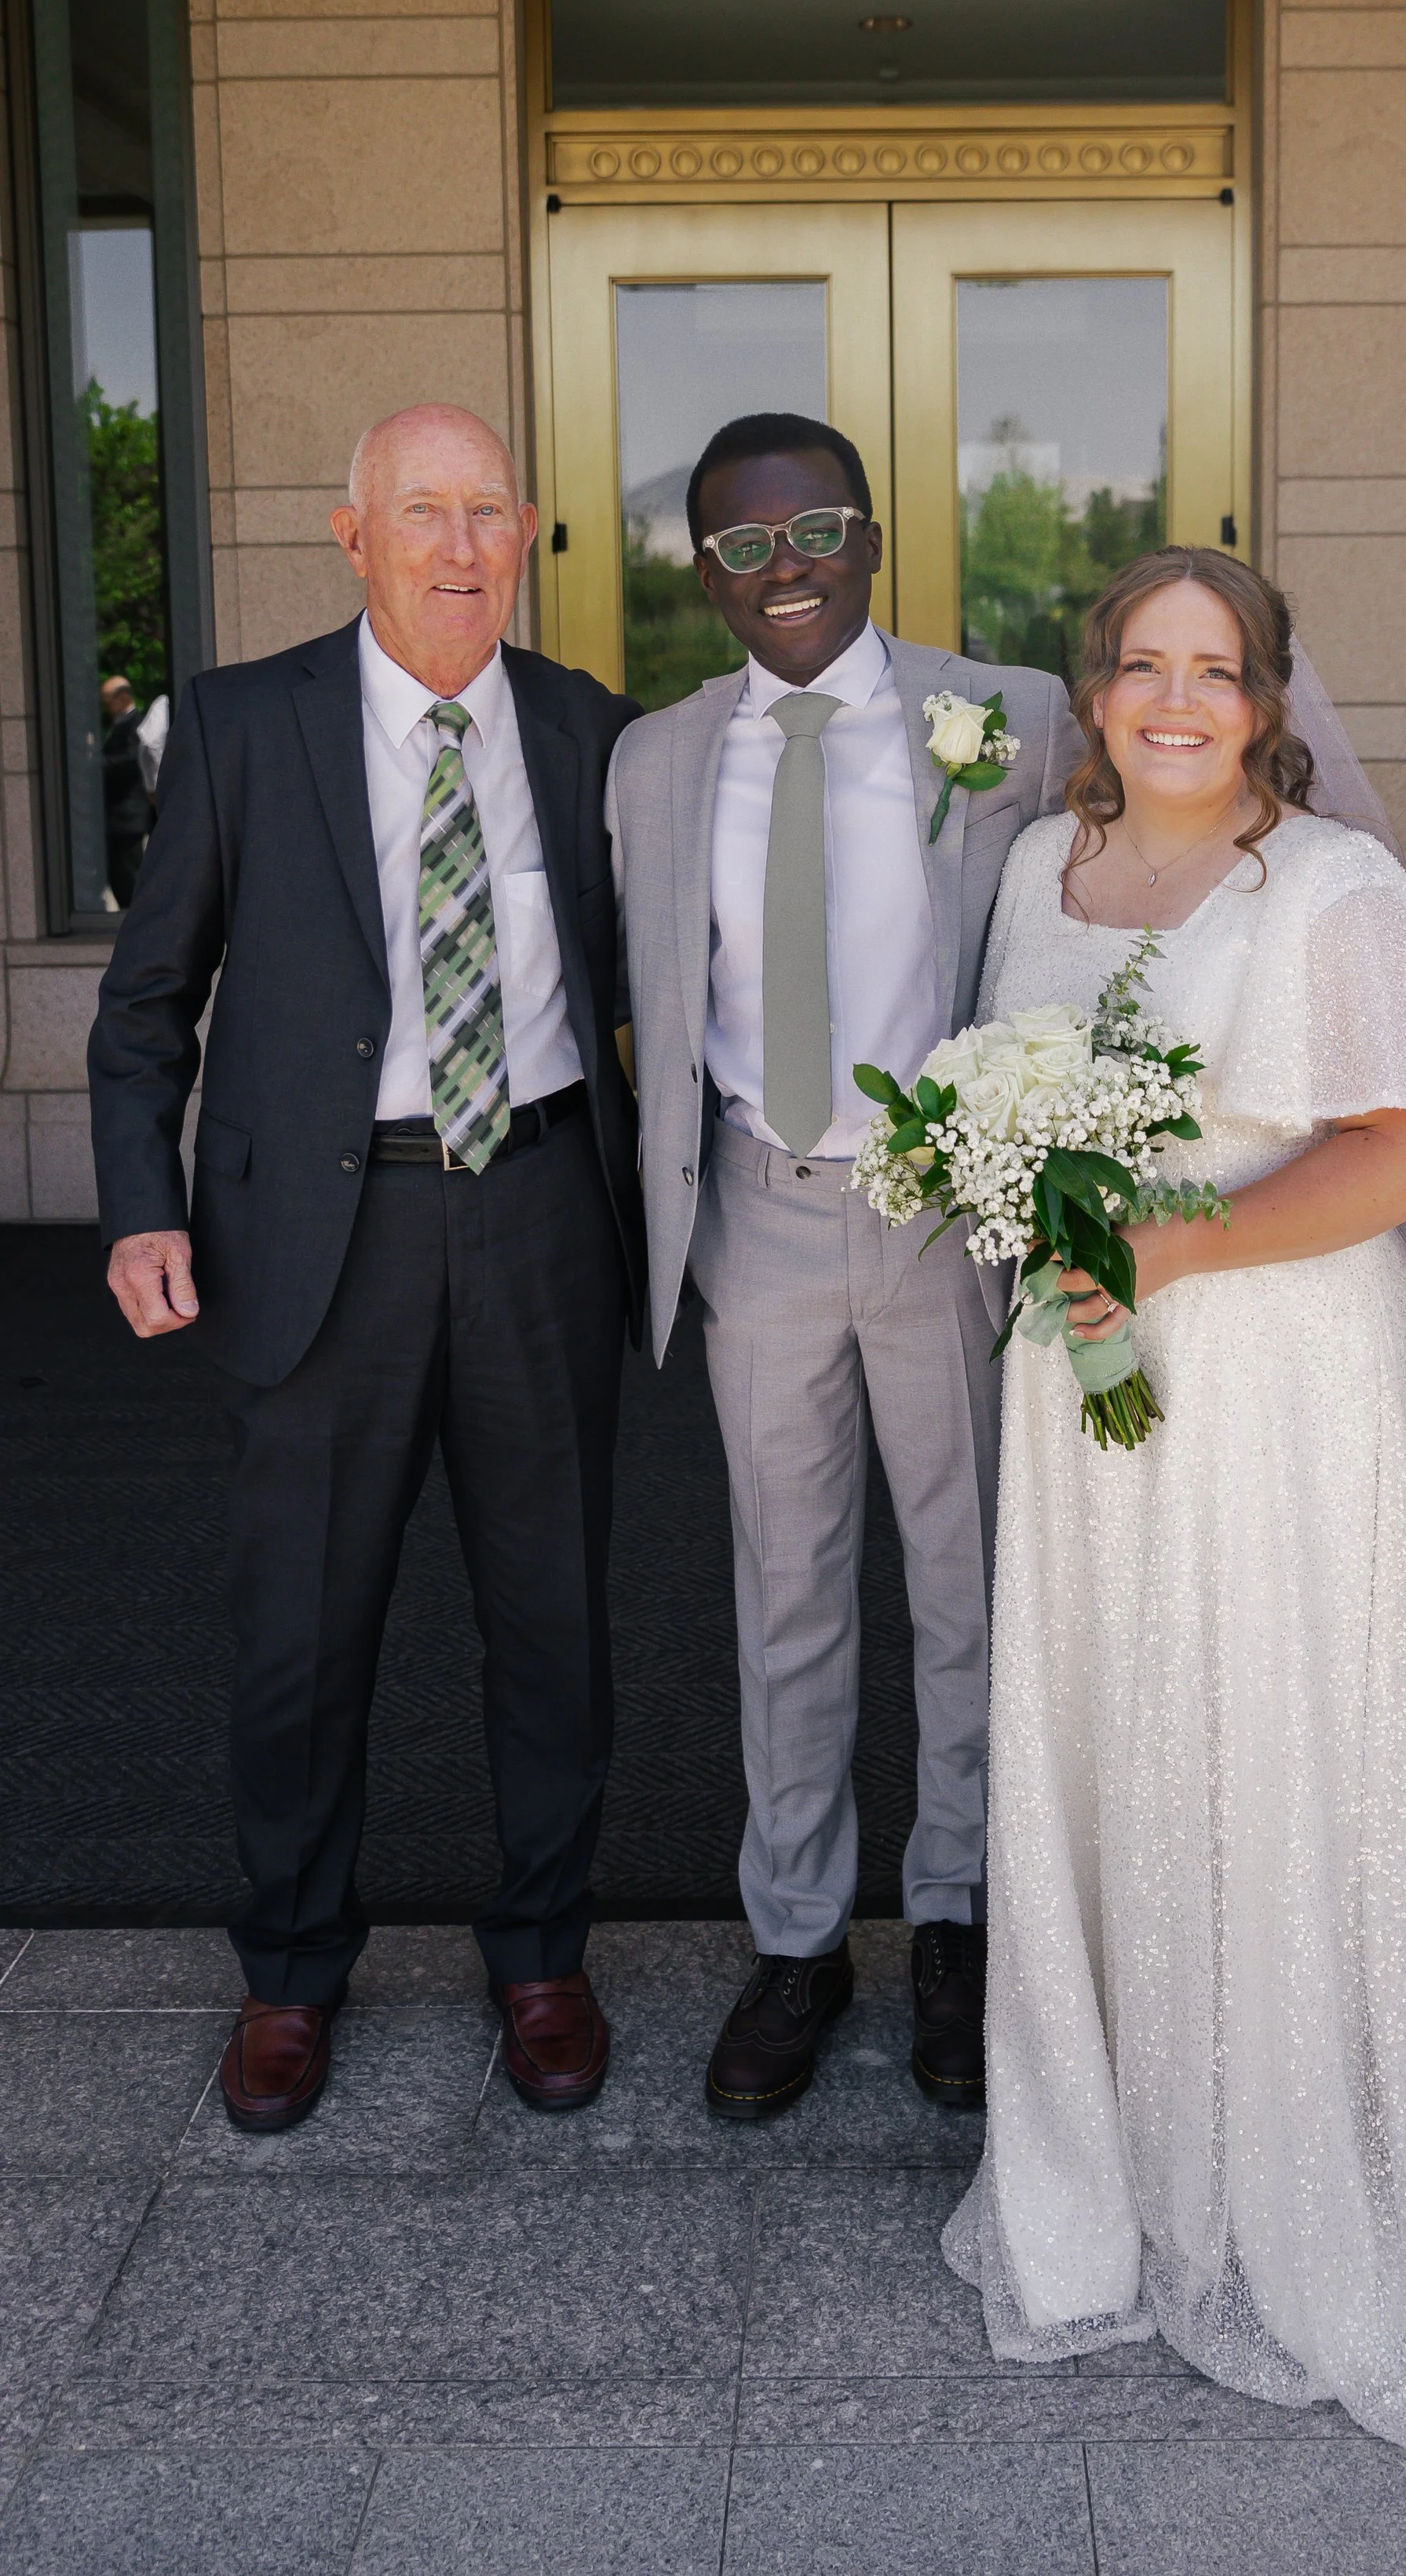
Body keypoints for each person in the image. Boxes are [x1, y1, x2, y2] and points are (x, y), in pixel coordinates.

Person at [942, 547, 1406, 2476]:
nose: (1179, 700)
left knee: (1254, 1728)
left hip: (1266, 1369)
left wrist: (1179, 1242)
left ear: (1265, 699)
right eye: (1144, 666)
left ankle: (1285, 2160)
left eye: (1218, 669)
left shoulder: (1324, 886)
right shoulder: (1038, 874)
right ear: (1094, 692)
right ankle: (1125, 2148)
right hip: (1088, 1369)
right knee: (1114, 1739)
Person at [88, 405, 643, 2132]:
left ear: (529, 531)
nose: (460, 545)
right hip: (315, 1234)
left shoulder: (590, 734)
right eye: (424, 512)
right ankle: (291, 1973)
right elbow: (145, 1002)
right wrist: (138, 1204)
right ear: (355, 537)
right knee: (299, 1633)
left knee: (552, 1622)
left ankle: (542, 1953)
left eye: (489, 511)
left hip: (542, 1207)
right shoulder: (245, 726)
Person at [608, 410, 1079, 2118]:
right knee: (784, 1592)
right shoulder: (656, 763)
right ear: (704, 577)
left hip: (942, 1208)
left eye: (810, 531)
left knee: (965, 1587)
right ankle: (797, 1940)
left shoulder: (1012, 720)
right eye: (738, 547)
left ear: (869, 537)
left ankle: (952, 1920)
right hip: (757, 1204)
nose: (781, 570)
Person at [99, 674, 154, 906]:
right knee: (120, 873)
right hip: (119, 815)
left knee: (129, 873)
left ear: (122, 698)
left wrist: (100, 763)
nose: (105, 706)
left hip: (128, 813)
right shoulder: (119, 725)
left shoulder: (136, 723)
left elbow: (132, 759)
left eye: (107, 700)